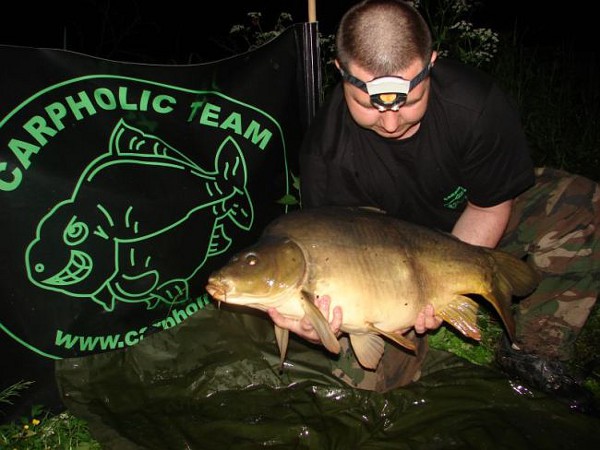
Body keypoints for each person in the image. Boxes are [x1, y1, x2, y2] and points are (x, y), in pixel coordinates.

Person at [268, 0, 600, 405]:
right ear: (340, 71)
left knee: (579, 201)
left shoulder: (475, 105)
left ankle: (535, 352)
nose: (391, 122)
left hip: (469, 225)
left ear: (431, 64)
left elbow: (488, 206)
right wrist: (316, 321)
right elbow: (339, 263)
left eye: (408, 101)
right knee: (359, 388)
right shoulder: (326, 153)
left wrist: (446, 283)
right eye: (369, 105)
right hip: (385, 266)